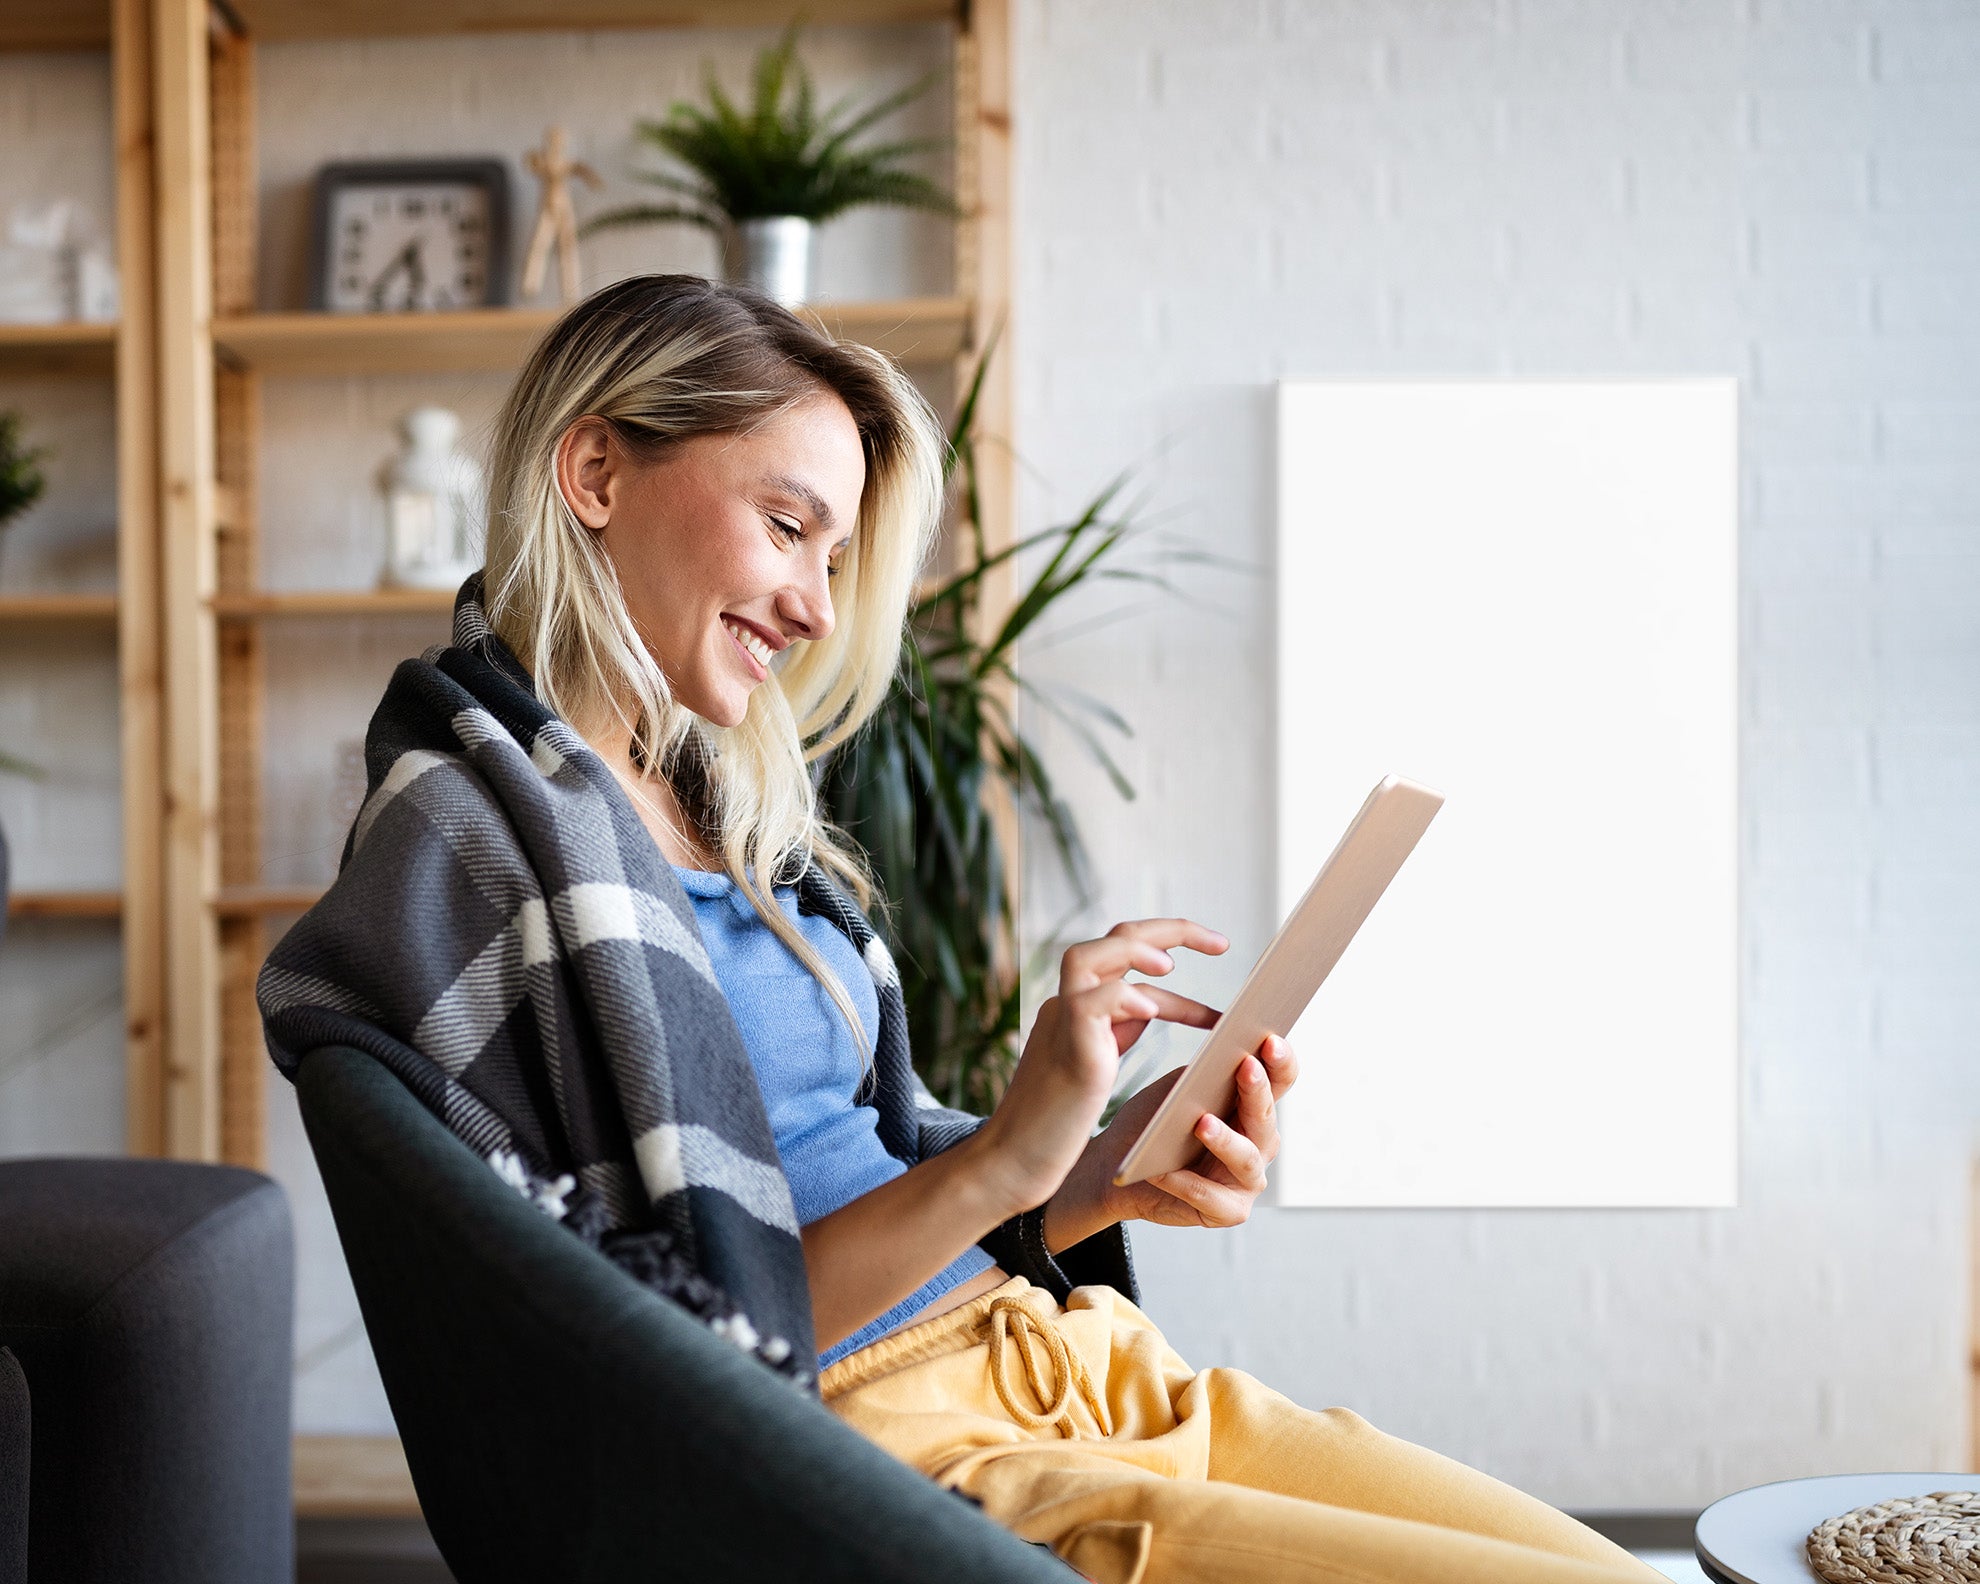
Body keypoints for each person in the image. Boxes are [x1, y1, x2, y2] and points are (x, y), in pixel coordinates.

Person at [259, 274, 1665, 1584]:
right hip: (894, 1455)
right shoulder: (468, 839)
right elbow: (672, 1362)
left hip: (1072, 1360)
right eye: (790, 525)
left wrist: (1097, 1172)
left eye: (838, 553)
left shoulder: (723, 829)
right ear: (596, 473)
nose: (817, 606)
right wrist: (1002, 1159)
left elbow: (851, 1188)